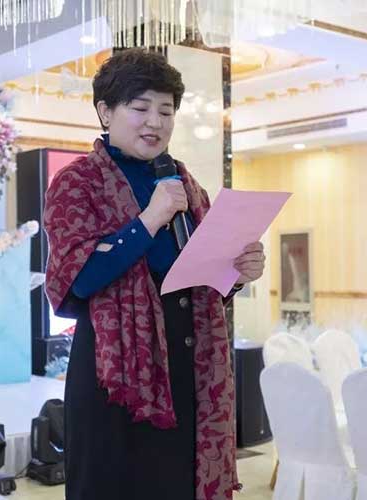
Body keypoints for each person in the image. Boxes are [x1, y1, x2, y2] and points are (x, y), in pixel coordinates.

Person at [43, 49, 266, 500]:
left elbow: (199, 280)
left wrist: (239, 272)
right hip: (115, 375)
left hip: (189, 368)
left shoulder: (183, 182)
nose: (155, 122)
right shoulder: (77, 182)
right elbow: (77, 280)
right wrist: (148, 220)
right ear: (105, 112)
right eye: (140, 108)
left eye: (166, 111)